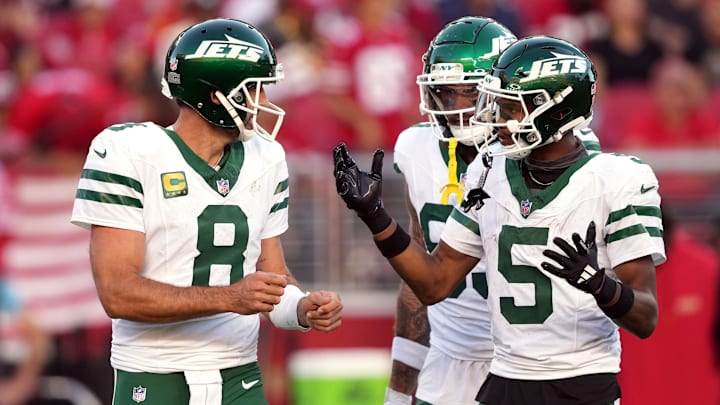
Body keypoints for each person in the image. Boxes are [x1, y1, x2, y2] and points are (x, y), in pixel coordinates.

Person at [334, 35, 664, 404]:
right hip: (505, 379)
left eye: (510, 108)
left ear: (555, 110)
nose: (496, 121)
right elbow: (434, 283)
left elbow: (646, 318)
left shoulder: (615, 178)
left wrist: (598, 283)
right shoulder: (490, 169)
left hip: (580, 381)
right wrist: (375, 216)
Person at [70, 18, 343, 405]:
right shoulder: (129, 151)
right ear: (216, 95)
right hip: (155, 377)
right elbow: (118, 293)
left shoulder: (267, 158)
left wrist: (301, 308)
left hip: (241, 377)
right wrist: (230, 298)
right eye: (254, 90)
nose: (262, 102)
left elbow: (272, 278)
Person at [385, 16, 517, 405]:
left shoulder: (541, 154)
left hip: (528, 363)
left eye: (468, 92)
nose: (455, 108)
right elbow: (417, 277)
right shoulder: (416, 149)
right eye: (444, 92)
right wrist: (399, 387)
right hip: (447, 367)